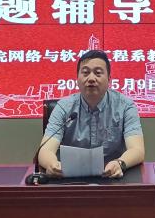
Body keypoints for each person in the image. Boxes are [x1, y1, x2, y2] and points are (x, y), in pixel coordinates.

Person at [37, 49, 145, 178]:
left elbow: (137, 150)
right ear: (77, 78)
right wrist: (52, 164)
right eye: (85, 73)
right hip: (70, 176)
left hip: (112, 175)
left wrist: (119, 163)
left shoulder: (125, 106)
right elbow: (45, 150)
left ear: (109, 79)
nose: (91, 78)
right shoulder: (63, 107)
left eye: (98, 73)